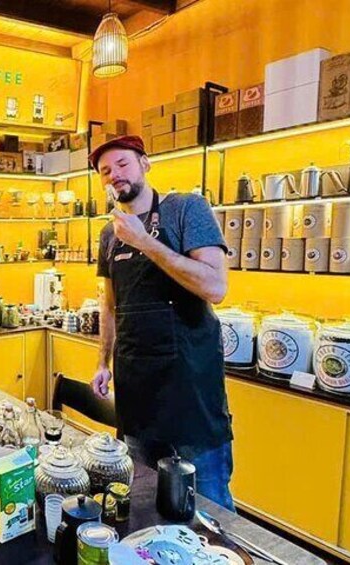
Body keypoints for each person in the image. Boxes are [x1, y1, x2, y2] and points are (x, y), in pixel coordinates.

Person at [87, 135, 235, 510]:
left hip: (190, 391)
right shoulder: (109, 233)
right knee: (144, 502)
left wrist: (144, 242)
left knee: (209, 507)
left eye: (123, 164)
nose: (114, 175)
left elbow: (215, 287)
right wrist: (102, 362)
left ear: (145, 164)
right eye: (105, 171)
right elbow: (110, 305)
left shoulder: (187, 209)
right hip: (136, 390)